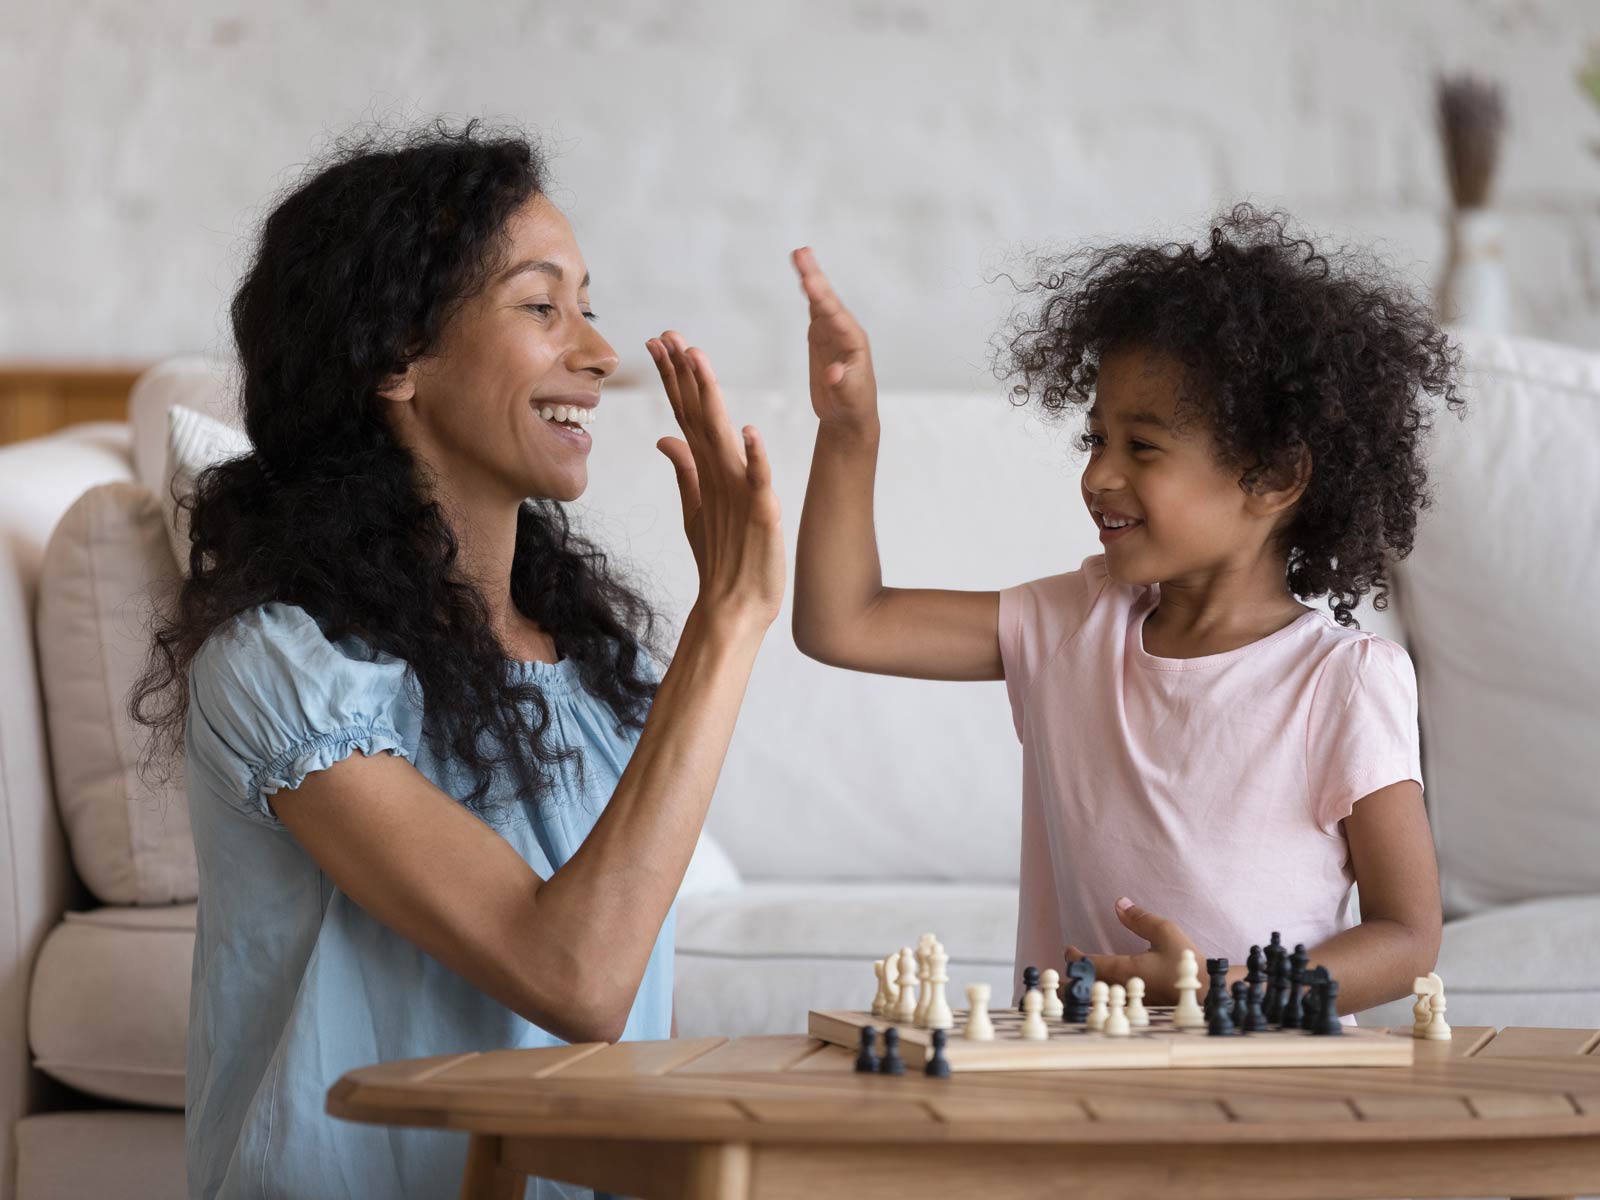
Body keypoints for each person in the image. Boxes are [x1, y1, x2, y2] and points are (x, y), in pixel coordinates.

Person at [131, 122, 783, 1199]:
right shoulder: (282, 664)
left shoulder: (589, 663)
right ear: (396, 357)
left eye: (588, 305)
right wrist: (731, 618)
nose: (597, 353)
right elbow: (574, 977)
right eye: (541, 306)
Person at [789, 205, 1457, 1015]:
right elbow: (842, 621)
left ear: (1274, 477)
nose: (1099, 476)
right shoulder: (1070, 627)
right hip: (1077, 1084)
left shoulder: (1343, 681)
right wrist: (850, 431)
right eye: (1095, 439)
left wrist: (1224, 991)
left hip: (1265, 1088)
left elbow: (1407, 935)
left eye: (1141, 447)